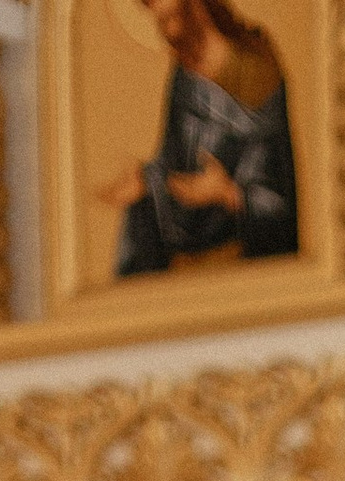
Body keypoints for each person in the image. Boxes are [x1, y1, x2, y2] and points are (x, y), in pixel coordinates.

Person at [105, 0, 299, 278]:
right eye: (160, 23)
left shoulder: (257, 66)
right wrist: (145, 181)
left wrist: (228, 193)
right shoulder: (185, 75)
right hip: (185, 249)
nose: (167, 33)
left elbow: (277, 185)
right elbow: (173, 159)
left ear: (196, 7)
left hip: (243, 256)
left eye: (171, 19)